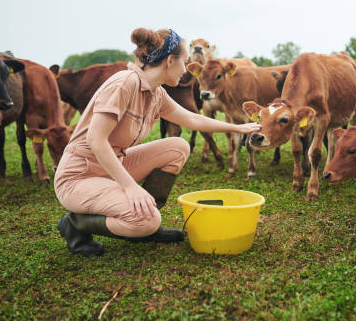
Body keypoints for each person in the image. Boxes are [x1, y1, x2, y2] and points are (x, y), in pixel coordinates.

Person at [54, 27, 260, 256]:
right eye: (184, 62)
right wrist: (130, 187)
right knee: (147, 221)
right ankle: (75, 224)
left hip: (112, 167)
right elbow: (96, 139)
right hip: (80, 176)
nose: (186, 70)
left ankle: (143, 226)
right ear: (170, 61)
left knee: (178, 147)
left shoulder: (156, 93)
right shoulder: (124, 83)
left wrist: (237, 127)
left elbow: (191, 118)